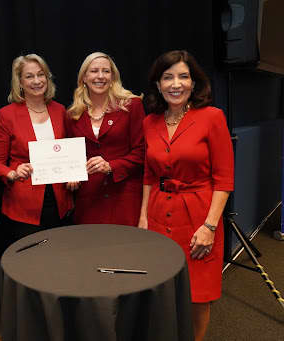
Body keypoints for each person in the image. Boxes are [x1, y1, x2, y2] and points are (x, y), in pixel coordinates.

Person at [138, 50, 234, 341]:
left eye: (183, 76)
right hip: (158, 214)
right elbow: (149, 175)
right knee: (161, 289)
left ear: (194, 83)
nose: (175, 84)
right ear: (157, 84)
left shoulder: (212, 118)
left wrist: (210, 226)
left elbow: (224, 179)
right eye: (167, 77)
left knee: (197, 295)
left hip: (199, 217)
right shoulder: (149, 123)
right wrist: (142, 217)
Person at [0, 54, 73, 242]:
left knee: (60, 258)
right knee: (29, 265)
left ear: (47, 77)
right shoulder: (7, 115)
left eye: (40, 74)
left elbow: (69, 152)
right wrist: (12, 173)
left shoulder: (60, 110)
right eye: (29, 76)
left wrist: (74, 176)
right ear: (19, 81)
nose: (37, 81)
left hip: (60, 202)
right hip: (24, 206)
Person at [66, 52, 145, 225]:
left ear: (113, 77)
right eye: (94, 71)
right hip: (89, 202)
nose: (100, 76)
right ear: (84, 78)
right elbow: (71, 157)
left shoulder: (132, 106)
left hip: (125, 198)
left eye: (106, 71)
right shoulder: (73, 114)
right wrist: (71, 175)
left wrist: (111, 166)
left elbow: (141, 153)